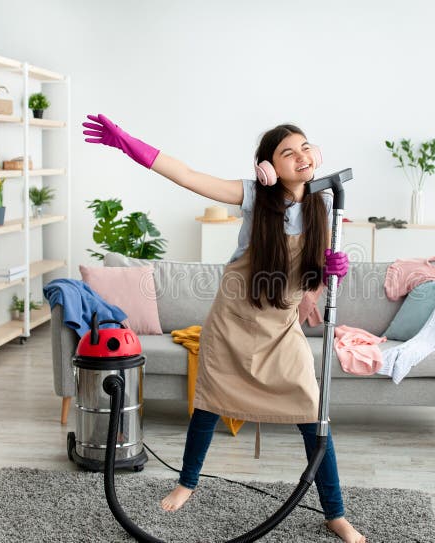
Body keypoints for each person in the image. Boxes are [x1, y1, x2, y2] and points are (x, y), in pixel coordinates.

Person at [83, 114, 365, 543]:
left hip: (281, 329)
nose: (301, 156)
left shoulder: (324, 204)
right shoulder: (254, 196)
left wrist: (333, 269)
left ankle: (335, 512)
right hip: (232, 322)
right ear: (267, 168)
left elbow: (315, 282)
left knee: (314, 415)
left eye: (305, 147)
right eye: (287, 152)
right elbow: (188, 176)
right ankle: (187, 482)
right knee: (209, 403)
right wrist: (128, 144)